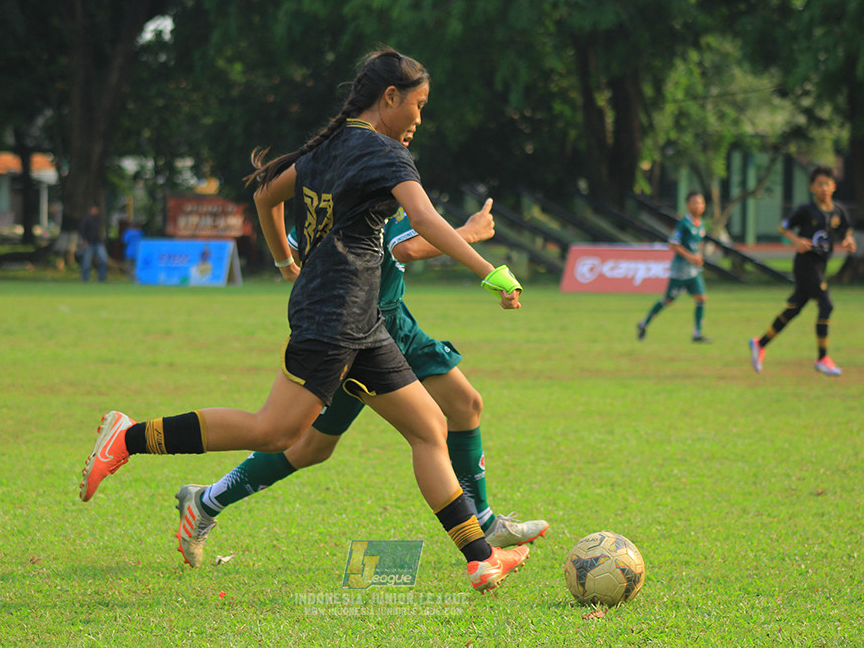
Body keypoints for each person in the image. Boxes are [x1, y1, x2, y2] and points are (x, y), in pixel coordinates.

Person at [78, 48, 528, 593]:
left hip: (359, 320)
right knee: (275, 431)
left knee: (429, 427)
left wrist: (285, 262)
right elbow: (426, 221)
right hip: (335, 317)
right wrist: (490, 272)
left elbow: (266, 194)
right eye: (418, 105)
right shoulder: (387, 155)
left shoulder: (327, 146)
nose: (418, 118)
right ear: (390, 97)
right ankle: (128, 438)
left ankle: (480, 559)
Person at [182, 200, 548, 568]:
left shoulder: (346, 175)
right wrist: (469, 233)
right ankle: (207, 500)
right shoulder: (371, 176)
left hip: (393, 320)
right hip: (359, 333)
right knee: (320, 444)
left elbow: (294, 245)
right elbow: (405, 248)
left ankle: (483, 522)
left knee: (463, 405)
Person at [749, 165, 856, 376]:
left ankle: (760, 343)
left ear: (834, 186)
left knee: (794, 309)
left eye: (827, 184)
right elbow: (783, 227)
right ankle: (822, 358)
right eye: (819, 184)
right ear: (812, 187)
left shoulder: (838, 211)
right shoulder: (807, 210)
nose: (824, 188)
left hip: (821, 266)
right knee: (826, 305)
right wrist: (796, 240)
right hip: (805, 264)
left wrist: (849, 240)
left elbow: (846, 230)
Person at [636, 191, 710, 343]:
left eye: (701, 203)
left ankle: (697, 333)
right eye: (695, 202)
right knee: (668, 300)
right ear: (688, 205)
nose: (698, 206)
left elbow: (697, 244)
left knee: (701, 298)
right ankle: (644, 324)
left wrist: (698, 256)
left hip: (693, 271)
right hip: (680, 271)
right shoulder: (683, 224)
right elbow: (673, 244)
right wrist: (690, 257)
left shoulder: (701, 224)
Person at [79, 205, 108, 282]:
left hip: (99, 242)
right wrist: (84, 241)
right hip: (89, 242)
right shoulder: (86, 219)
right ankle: (85, 278)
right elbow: (82, 231)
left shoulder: (99, 219)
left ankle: (102, 278)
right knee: (86, 262)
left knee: (104, 260)